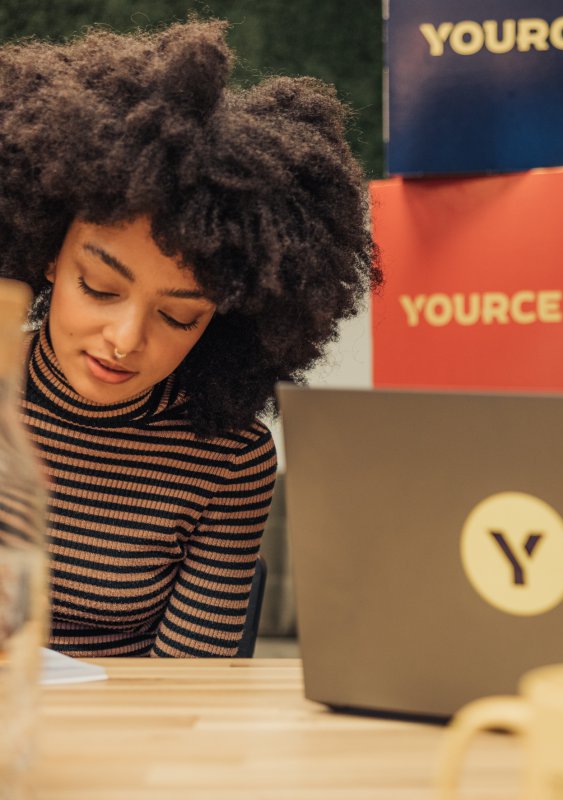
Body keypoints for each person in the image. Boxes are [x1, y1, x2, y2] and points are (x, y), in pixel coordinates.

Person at [0, 20, 378, 657]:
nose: (124, 340)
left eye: (179, 317)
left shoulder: (228, 459)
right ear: (48, 258)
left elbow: (192, 678)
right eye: (98, 286)